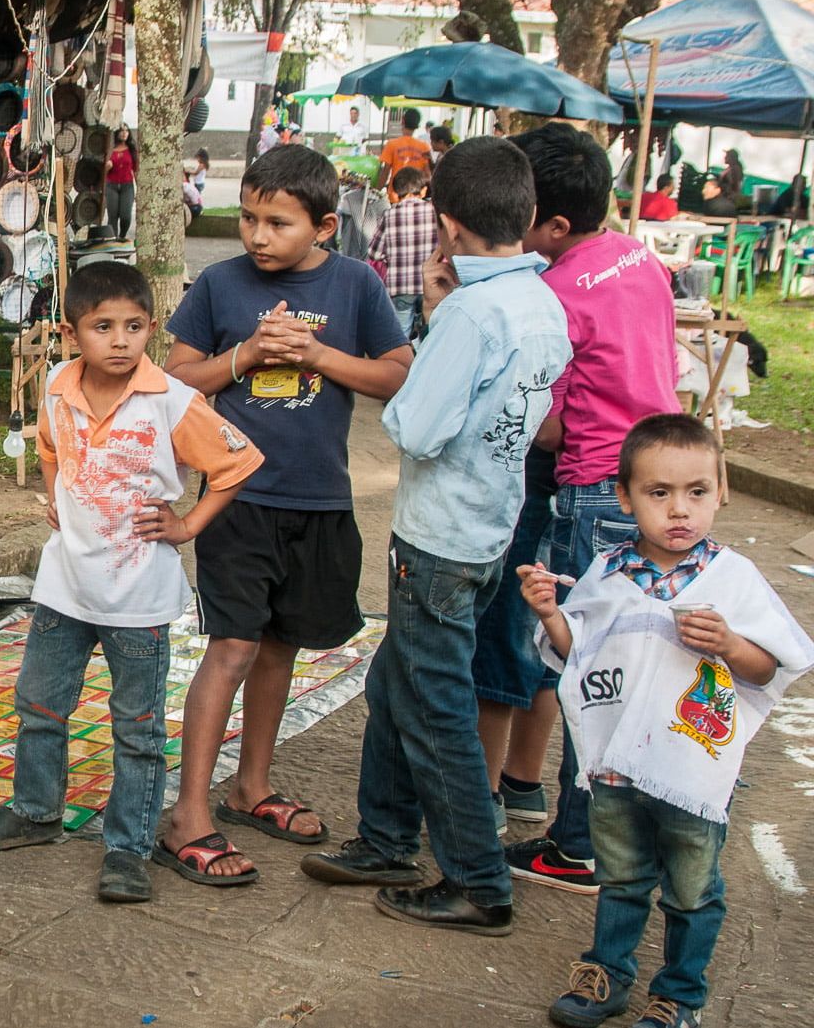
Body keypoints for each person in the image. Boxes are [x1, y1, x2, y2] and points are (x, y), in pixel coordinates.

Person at [301, 136, 571, 936]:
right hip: (489, 527)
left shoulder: (473, 315)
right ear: (525, 217)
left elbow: (414, 427)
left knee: (436, 705)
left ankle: (476, 878)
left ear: (447, 226)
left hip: (440, 538)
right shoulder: (539, 301)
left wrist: (436, 315)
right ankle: (386, 837)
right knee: (397, 682)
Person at [0, 261, 264, 903]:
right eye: (103, 327)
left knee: (139, 729)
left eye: (133, 326)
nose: (120, 340)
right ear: (72, 334)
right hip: (64, 590)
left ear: (151, 328)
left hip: (138, 601)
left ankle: (128, 847)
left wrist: (188, 527)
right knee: (39, 705)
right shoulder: (58, 387)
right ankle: (35, 811)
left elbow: (237, 462)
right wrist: (55, 499)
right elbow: (47, 448)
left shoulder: (172, 400)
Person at [160, 145, 411, 885]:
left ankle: (251, 786)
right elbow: (174, 381)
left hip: (320, 498)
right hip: (236, 498)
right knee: (232, 646)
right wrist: (244, 355)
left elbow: (397, 375)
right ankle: (188, 812)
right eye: (247, 217)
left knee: (281, 645)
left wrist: (317, 353)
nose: (257, 235)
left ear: (325, 225)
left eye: (277, 222)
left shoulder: (356, 283)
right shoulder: (218, 283)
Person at [525, 414, 812, 1028]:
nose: (679, 511)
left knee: (692, 889)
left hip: (691, 769)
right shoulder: (606, 574)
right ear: (625, 496)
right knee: (622, 878)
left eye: (697, 492)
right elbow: (577, 653)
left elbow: (770, 669)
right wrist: (551, 612)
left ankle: (680, 995)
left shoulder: (733, 580)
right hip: (616, 768)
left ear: (719, 489)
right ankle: (608, 977)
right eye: (659, 493)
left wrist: (732, 645)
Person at [485, 123, 679, 896]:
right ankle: (598, 831)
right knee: (622, 661)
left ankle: (576, 845)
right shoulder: (638, 253)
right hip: (655, 477)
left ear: (554, 225)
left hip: (594, 487)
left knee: (581, 663)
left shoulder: (556, 293)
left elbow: (550, 422)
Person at [368, 165, 440, 336]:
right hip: (431, 283)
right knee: (432, 331)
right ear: (423, 191)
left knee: (401, 334)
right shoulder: (435, 212)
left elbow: (374, 253)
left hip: (401, 285)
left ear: (395, 192)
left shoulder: (389, 215)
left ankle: (407, 362)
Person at [379, 109, 431, 187]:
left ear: (403, 121)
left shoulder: (392, 144)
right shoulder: (425, 146)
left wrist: (376, 191)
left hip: (396, 193)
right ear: (418, 125)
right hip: (416, 193)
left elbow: (385, 172)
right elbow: (428, 175)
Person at [105, 126, 137, 239]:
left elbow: (136, 170)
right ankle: (113, 239)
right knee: (112, 216)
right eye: (122, 131)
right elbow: (102, 171)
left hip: (127, 186)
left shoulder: (132, 149)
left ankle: (122, 236)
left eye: (126, 131)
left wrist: (139, 190)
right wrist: (107, 167)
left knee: (126, 216)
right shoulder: (109, 149)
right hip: (111, 185)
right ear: (117, 133)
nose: (124, 133)